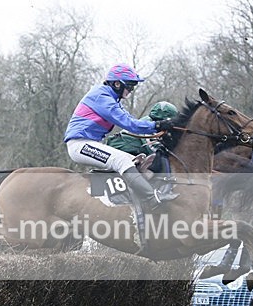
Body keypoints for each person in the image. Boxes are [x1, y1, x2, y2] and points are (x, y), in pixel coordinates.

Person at [64, 64, 176, 206]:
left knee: (134, 160)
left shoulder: (111, 98)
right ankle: (151, 199)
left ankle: (129, 198)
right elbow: (130, 124)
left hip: (89, 143)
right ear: (117, 84)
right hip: (79, 145)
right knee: (122, 161)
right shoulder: (102, 96)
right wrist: (157, 125)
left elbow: (132, 121)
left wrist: (156, 129)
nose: (131, 90)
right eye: (129, 86)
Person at [106, 100, 178, 156]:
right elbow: (152, 149)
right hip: (118, 150)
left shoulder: (148, 122)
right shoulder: (147, 125)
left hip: (130, 151)